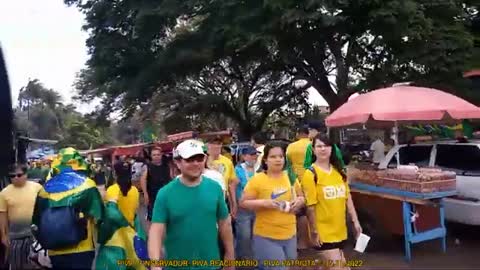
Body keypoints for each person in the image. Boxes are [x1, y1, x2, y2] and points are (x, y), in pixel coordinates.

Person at [148, 139, 234, 270]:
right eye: (189, 160)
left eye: (199, 159)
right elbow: (156, 230)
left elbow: (224, 223)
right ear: (178, 162)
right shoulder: (165, 194)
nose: (196, 163)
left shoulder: (214, 187)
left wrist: (230, 254)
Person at [32, 147, 104, 270]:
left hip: (54, 249)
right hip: (82, 248)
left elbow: (36, 222)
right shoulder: (87, 184)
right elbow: (99, 217)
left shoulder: (44, 190)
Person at [240, 142, 305, 270]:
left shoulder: (290, 177)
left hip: (290, 234)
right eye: (273, 157)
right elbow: (243, 202)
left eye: (281, 156)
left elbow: (301, 197)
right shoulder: (257, 180)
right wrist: (264, 203)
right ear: (265, 160)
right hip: (266, 236)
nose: (278, 160)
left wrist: (299, 201)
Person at [302, 134, 363, 270]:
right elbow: (310, 207)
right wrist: (314, 231)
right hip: (323, 233)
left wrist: (355, 221)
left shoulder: (339, 172)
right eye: (319, 146)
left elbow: (348, 199)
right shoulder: (311, 174)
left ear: (332, 149)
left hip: (340, 230)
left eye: (326, 146)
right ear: (313, 150)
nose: (323, 149)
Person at [0, 164, 42, 270]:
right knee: (17, 265)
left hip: (36, 235)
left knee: (38, 264)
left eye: (19, 175)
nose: (16, 178)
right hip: (15, 237)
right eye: (12, 176)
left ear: (26, 175)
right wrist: (4, 235)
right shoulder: (4, 193)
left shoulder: (37, 188)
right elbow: (3, 215)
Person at [286, 125, 311, 251]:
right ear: (308, 133)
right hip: (312, 180)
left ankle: (301, 242)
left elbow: (287, 165)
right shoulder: (312, 145)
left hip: (296, 182)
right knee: (311, 210)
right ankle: (314, 239)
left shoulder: (291, 147)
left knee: (300, 214)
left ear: (298, 133)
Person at [234, 146, 258, 260]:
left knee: (256, 235)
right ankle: (242, 258)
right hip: (243, 207)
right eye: (251, 155)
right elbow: (233, 188)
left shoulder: (259, 169)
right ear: (244, 156)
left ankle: (255, 258)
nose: (254, 157)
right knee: (244, 235)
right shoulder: (238, 170)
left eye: (255, 154)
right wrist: (234, 204)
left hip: (257, 206)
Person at [207, 137, 239, 218]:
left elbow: (231, 184)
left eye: (219, 144)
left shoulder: (227, 161)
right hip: (207, 200)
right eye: (213, 144)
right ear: (208, 145)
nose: (216, 146)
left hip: (224, 200)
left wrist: (233, 204)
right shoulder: (202, 161)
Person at [140, 147, 171, 227]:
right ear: (151, 156)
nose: (156, 156)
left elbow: (171, 179)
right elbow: (143, 180)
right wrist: (145, 194)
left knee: (167, 216)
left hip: (166, 196)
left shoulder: (167, 166)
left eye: (158, 155)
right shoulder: (148, 166)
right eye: (154, 155)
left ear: (161, 155)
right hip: (153, 196)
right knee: (152, 217)